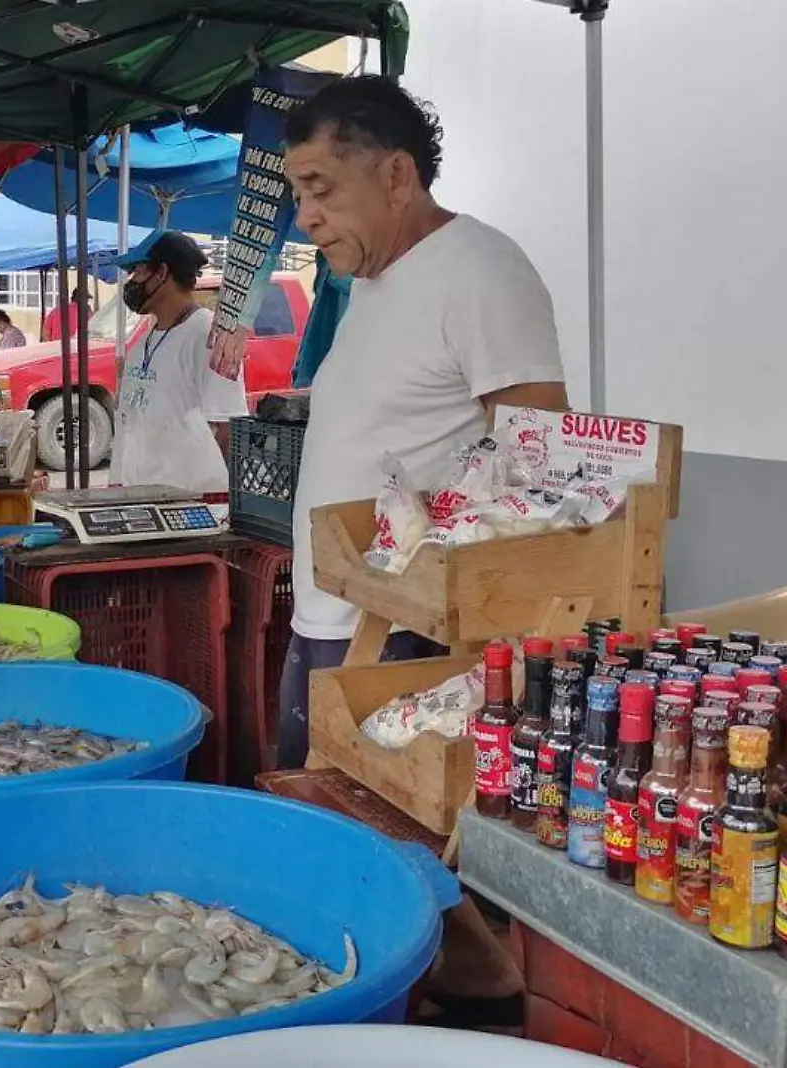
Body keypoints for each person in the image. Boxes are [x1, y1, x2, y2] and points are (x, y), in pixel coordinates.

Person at [272, 73, 568, 1028]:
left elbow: (537, 451)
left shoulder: (480, 267)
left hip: (406, 619)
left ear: (396, 173)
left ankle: (393, 1005)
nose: (306, 214)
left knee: (368, 828)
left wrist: (441, 576)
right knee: (351, 818)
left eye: (321, 187)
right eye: (298, 193)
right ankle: (478, 984)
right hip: (337, 603)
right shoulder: (371, 284)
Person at [109, 231, 248, 494]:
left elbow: (228, 427)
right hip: (138, 496)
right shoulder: (144, 341)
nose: (131, 282)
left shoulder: (208, 337)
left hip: (185, 502)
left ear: (162, 273)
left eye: (138, 272)